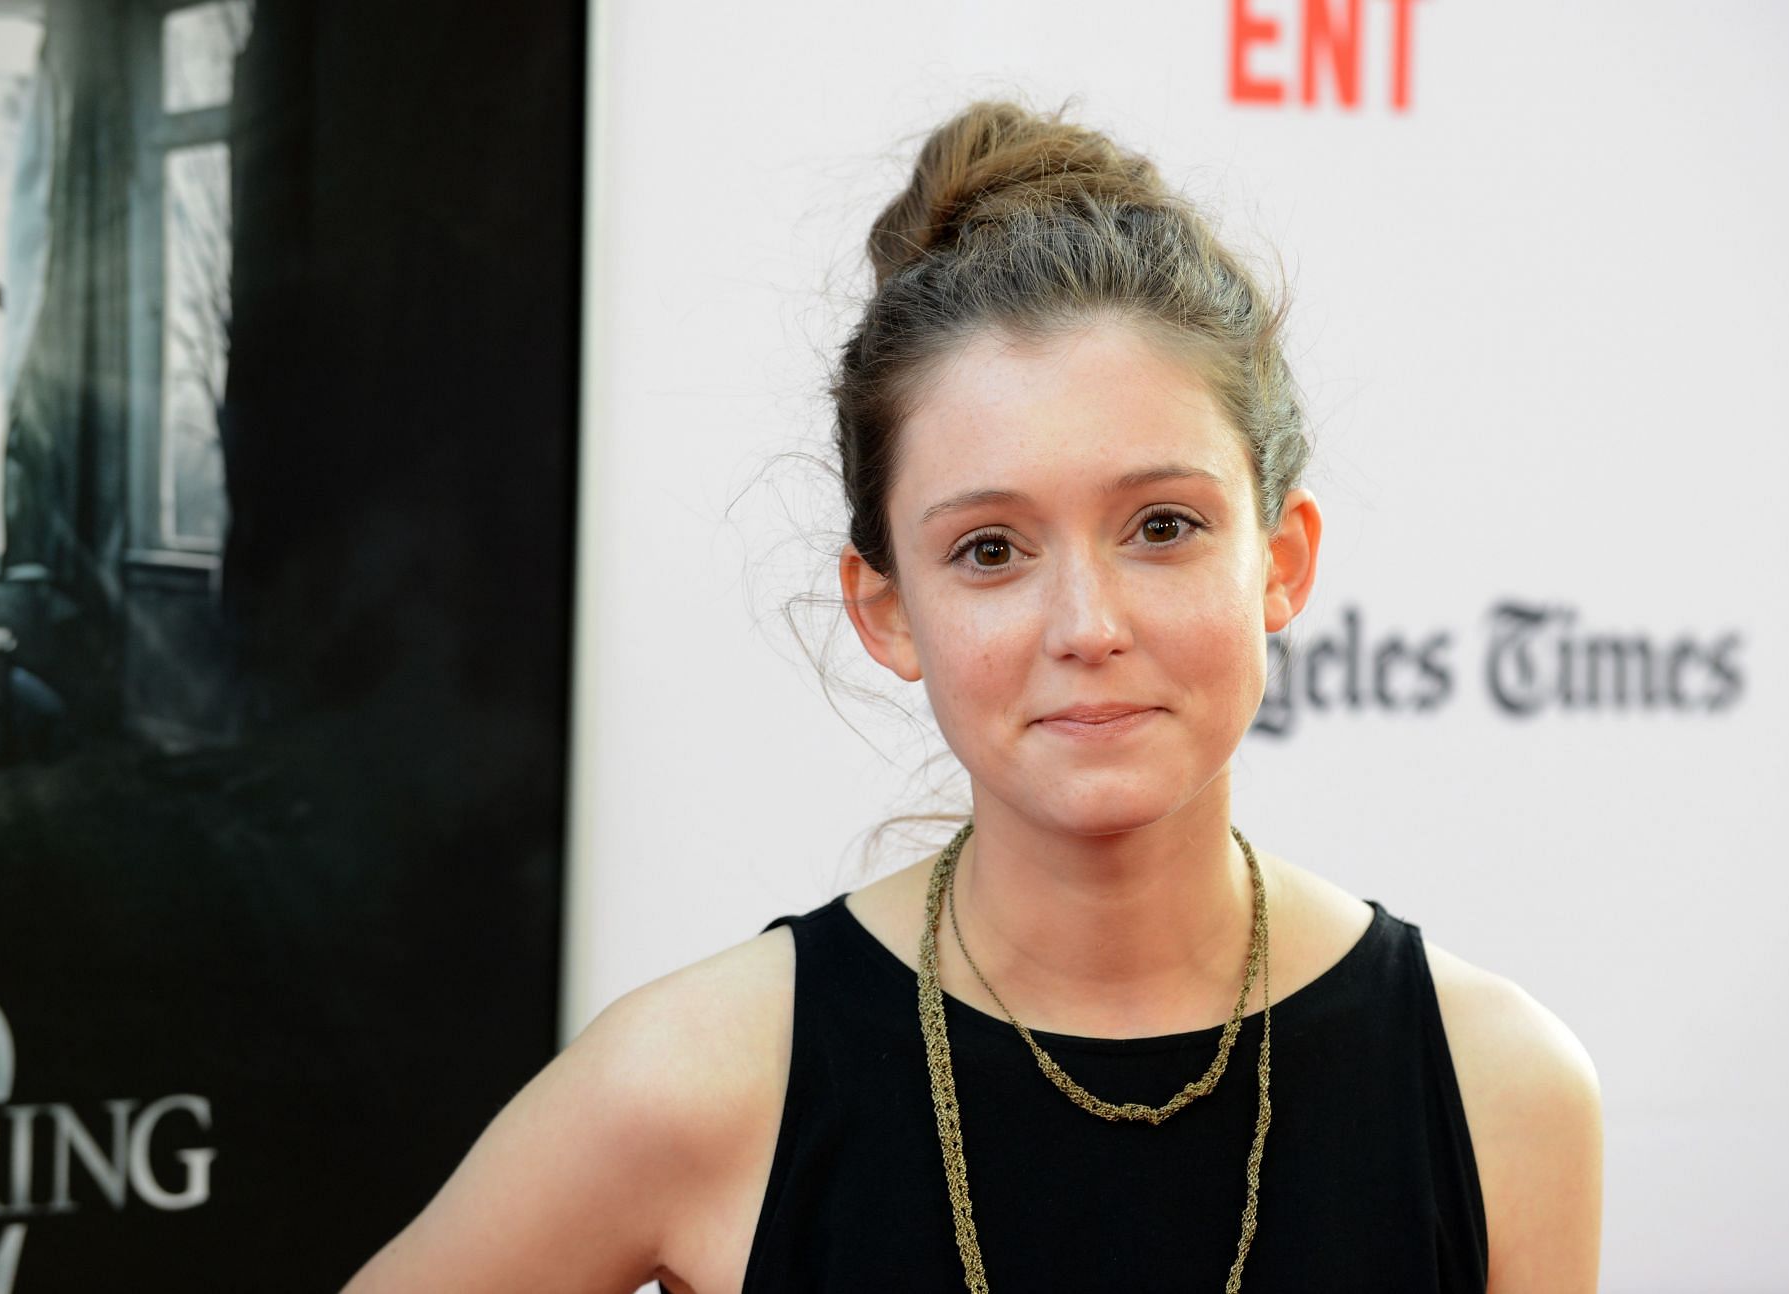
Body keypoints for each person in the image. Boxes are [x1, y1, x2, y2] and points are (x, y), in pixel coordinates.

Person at [342, 97, 1603, 1293]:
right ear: (887, 608)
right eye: (991, 550)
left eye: (1162, 525)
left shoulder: (1500, 1091)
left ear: (1279, 561)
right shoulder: (699, 1080)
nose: (1088, 626)